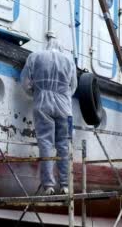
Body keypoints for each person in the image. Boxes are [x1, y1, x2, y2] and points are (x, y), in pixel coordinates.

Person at [20, 38, 77, 195]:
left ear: (47, 45)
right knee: (64, 145)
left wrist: (36, 92)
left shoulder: (35, 56)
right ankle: (65, 185)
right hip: (64, 106)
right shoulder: (69, 61)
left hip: (42, 102)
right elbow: (73, 86)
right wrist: (62, 96)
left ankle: (48, 186)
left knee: (45, 143)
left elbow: (25, 83)